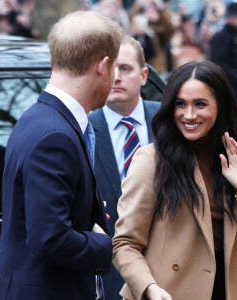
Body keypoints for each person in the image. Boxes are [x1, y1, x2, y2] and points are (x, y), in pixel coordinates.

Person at [112, 61, 237, 300]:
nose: (189, 115)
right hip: (167, 293)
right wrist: (148, 288)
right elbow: (125, 244)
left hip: (230, 292)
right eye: (180, 104)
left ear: (220, 106)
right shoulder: (151, 160)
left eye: (200, 104)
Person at [0, 10, 124, 300]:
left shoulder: (37, 117)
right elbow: (49, 238)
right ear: (103, 66)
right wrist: (103, 244)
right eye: (115, 68)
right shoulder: (55, 135)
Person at [88, 35, 160, 300]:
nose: (116, 77)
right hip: (108, 276)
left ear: (143, 75)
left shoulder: (172, 121)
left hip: (171, 271)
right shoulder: (81, 130)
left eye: (125, 68)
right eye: (110, 69)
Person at [209, 2, 237, 124]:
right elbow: (218, 63)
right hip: (227, 86)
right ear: (229, 18)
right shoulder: (220, 37)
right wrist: (236, 76)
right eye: (236, 17)